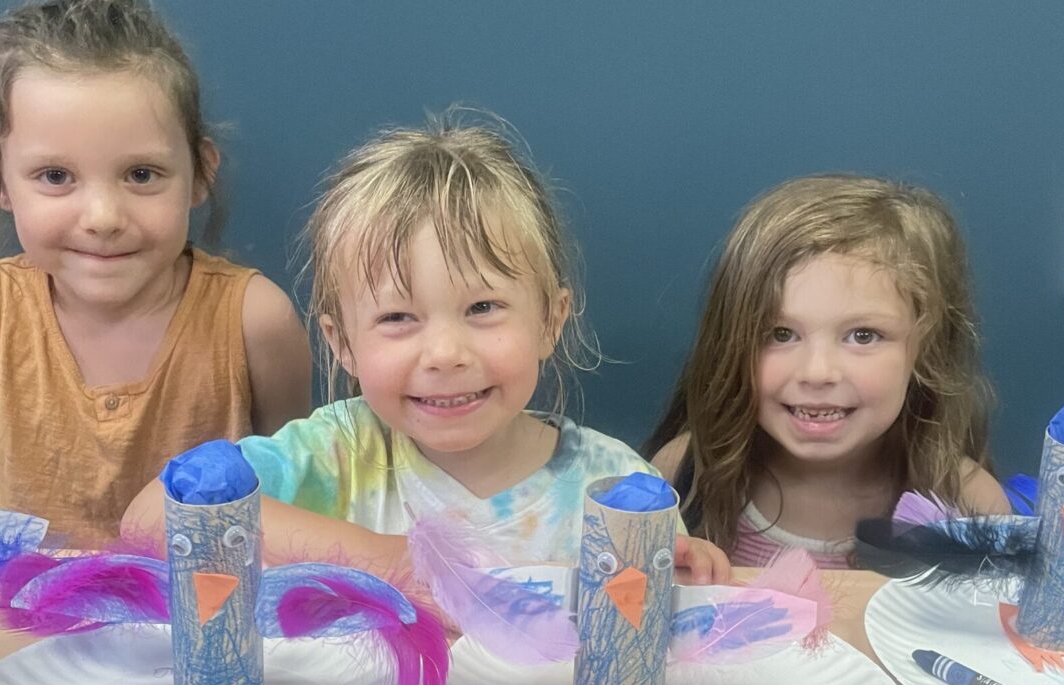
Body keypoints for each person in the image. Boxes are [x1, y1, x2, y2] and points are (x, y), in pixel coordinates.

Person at [123, 116, 729, 583]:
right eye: (397, 317)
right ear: (342, 345)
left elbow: (649, 632)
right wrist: (394, 564)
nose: (443, 353)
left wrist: (681, 576)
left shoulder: (611, 484)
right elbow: (150, 519)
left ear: (550, 320)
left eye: (483, 308)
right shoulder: (337, 454)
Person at [0, 0, 311, 543]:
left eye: (141, 174)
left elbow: (299, 524)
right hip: (25, 629)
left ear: (200, 172)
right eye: (55, 176)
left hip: (206, 625)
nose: (103, 218)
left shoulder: (255, 323)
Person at [646, 174, 1009, 568]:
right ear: (732, 342)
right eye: (780, 333)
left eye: (863, 335)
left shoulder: (972, 504)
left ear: (925, 349)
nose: (818, 372)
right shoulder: (681, 475)